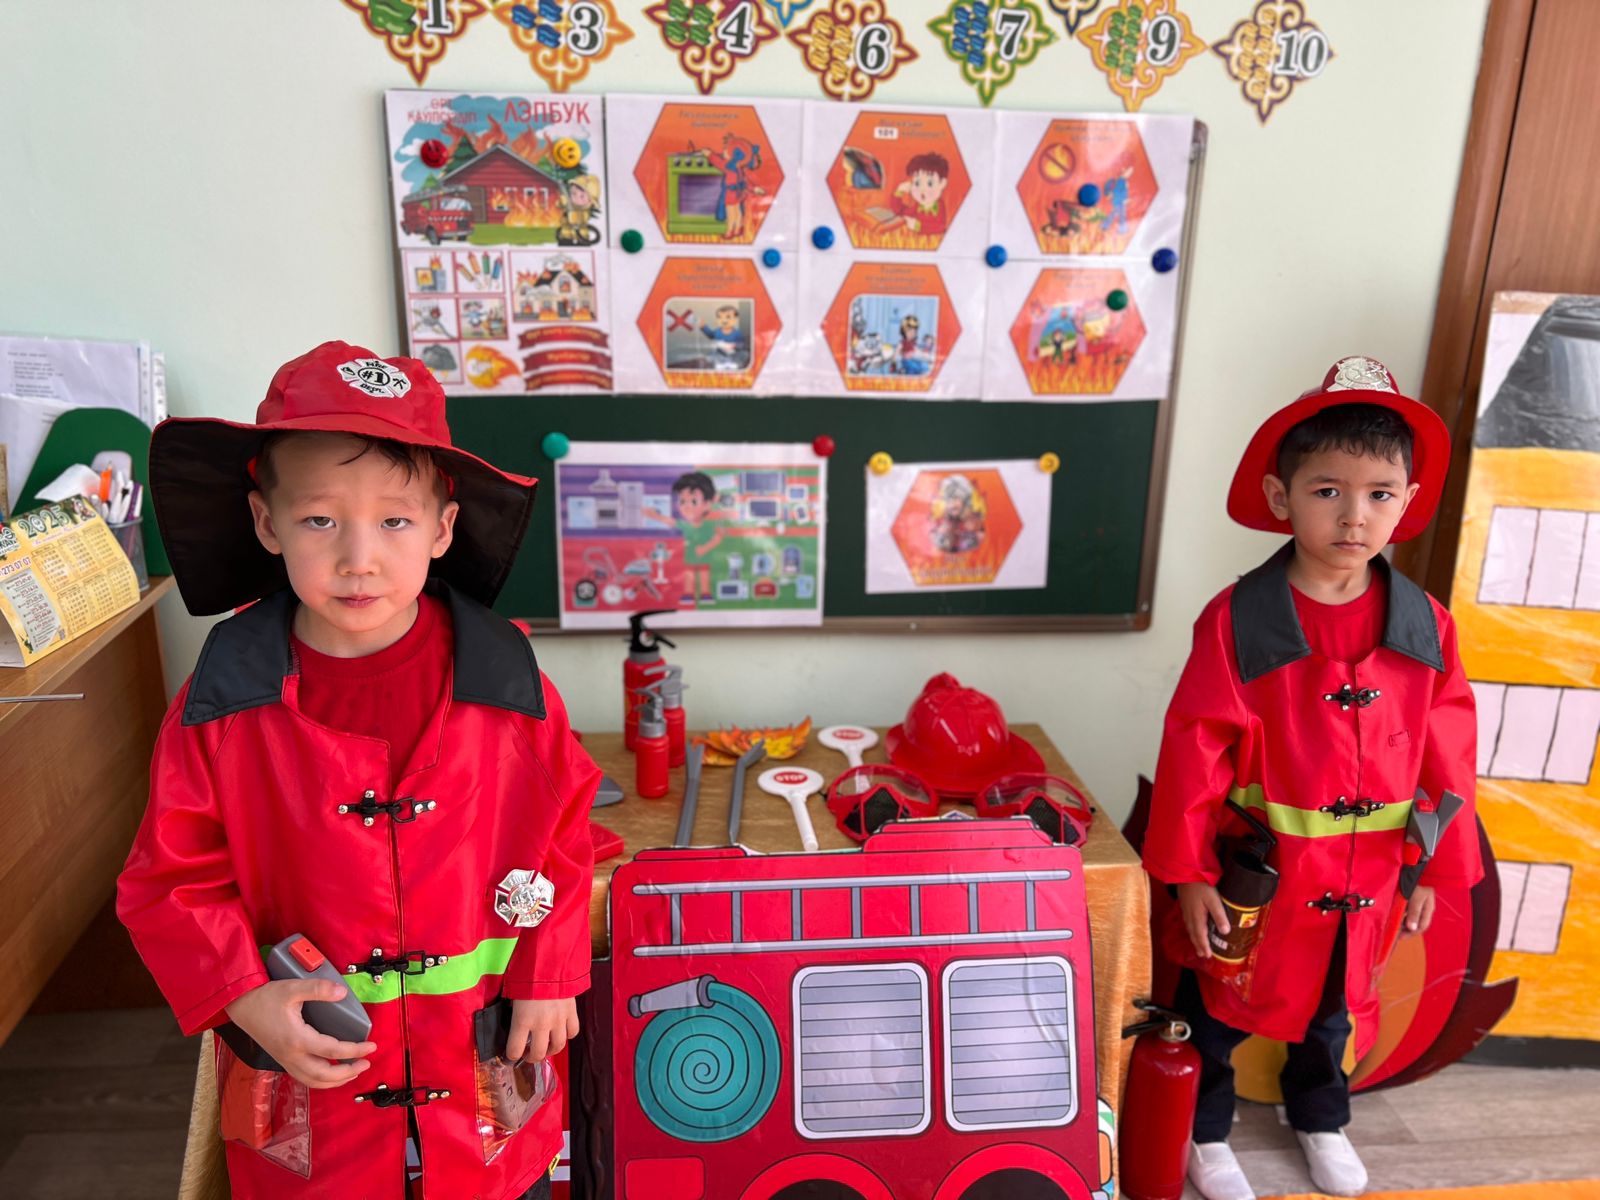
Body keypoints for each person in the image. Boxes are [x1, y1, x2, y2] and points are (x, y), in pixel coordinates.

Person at [117, 342, 600, 1200]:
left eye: (395, 522)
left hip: (480, 1067)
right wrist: (243, 995)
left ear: (443, 529)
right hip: (312, 1089)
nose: (358, 558)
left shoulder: (506, 680)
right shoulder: (223, 701)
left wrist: (548, 972)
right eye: (319, 521)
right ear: (266, 523)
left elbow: (565, 829)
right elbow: (170, 879)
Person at [1142, 357, 1481, 1200]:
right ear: (1280, 495)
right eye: (1328, 491)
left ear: (1407, 502)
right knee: (1220, 1003)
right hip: (1258, 875)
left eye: (1379, 494)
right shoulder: (1239, 620)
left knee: (1334, 1010)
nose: (1354, 515)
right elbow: (1193, 748)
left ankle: (1321, 1116)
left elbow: (1448, 754)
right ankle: (1206, 1131)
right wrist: (1188, 873)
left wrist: (1437, 871)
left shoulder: (1426, 625)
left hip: (1368, 877)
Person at [643, 470, 725, 604]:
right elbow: (671, 522)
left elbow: (718, 538)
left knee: (704, 574)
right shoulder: (685, 525)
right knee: (689, 575)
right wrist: (655, 516)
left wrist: (705, 548)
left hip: (703, 557)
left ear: (707, 504)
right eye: (682, 501)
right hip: (690, 557)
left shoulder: (709, 525)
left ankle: (705, 594)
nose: (686, 507)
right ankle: (688, 594)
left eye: (693, 501)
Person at [889, 152, 951, 236]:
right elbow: (901, 212)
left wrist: (918, 226)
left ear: (942, 183)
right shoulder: (918, 206)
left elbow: (940, 227)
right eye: (917, 183)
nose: (922, 190)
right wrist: (899, 192)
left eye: (929, 184)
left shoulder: (939, 206)